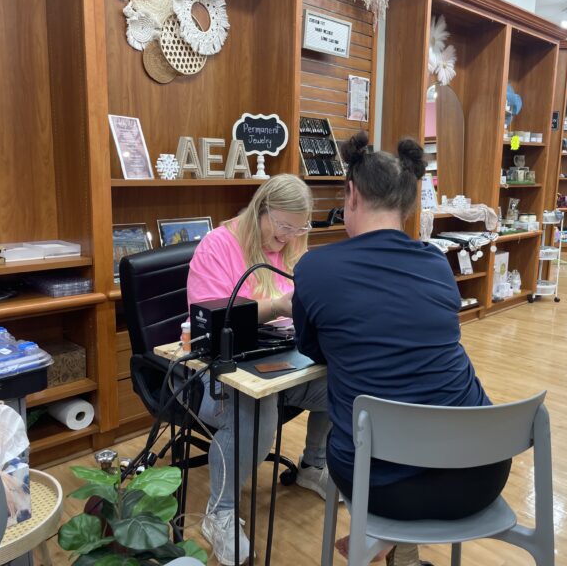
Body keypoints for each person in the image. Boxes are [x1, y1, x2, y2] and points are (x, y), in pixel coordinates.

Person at [292, 133, 512, 561]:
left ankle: (385, 539)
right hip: (481, 472)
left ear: (351, 193)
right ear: (409, 201)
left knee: (370, 433)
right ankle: (398, 552)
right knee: (413, 413)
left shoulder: (315, 268)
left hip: (383, 486)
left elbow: (316, 352)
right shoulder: (434, 262)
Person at [187, 174, 332, 566]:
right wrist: (278, 306)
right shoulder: (218, 246)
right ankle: (220, 513)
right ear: (260, 208)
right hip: (216, 372)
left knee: (342, 380)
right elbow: (214, 319)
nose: (288, 237)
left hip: (280, 357)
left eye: (298, 228)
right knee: (257, 406)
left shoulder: (294, 241)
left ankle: (313, 465)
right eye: (282, 226)